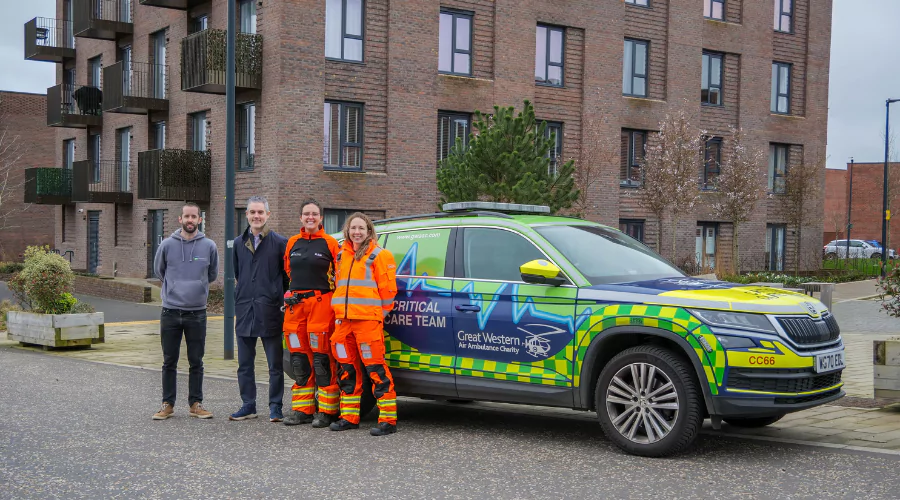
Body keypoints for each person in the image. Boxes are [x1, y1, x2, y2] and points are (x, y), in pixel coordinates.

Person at [329, 213, 399, 436]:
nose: (356, 232)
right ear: (347, 231)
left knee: (376, 369)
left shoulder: (380, 255)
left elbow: (388, 293)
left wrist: (377, 316)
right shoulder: (341, 256)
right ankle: (349, 417)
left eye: (361, 228)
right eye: (353, 228)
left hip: (367, 323)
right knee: (347, 370)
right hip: (344, 323)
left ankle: (388, 420)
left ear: (369, 231)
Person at [152, 202, 219, 420]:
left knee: (196, 361)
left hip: (197, 313)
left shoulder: (209, 246)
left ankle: (195, 403)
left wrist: (196, 288)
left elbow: (212, 275)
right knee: (169, 360)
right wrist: (174, 288)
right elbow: (159, 271)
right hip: (170, 311)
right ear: (180, 219)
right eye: (186, 216)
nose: (190, 220)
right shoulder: (167, 245)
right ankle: (167, 404)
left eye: (194, 217)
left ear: (200, 220)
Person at [281, 200, 342, 428]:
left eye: (314, 214)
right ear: (300, 217)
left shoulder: (330, 243)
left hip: (321, 304)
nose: (310, 217)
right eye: (306, 213)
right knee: (298, 358)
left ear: (321, 218)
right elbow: (289, 271)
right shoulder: (292, 243)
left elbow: (339, 274)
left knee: (322, 358)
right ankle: (302, 410)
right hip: (296, 306)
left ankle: (326, 411)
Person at [229, 196, 289, 423]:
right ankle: (248, 405)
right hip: (245, 311)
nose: (256, 216)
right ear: (246, 215)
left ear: (268, 215)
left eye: (260, 212)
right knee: (245, 364)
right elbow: (238, 274)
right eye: (252, 212)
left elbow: (286, 278)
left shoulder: (280, 243)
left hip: (271, 311)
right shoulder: (237, 243)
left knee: (275, 365)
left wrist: (278, 298)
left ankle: (275, 406)